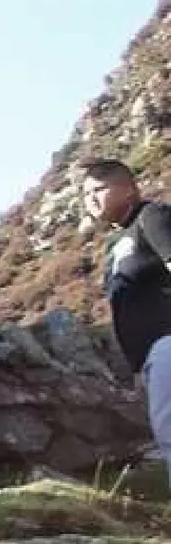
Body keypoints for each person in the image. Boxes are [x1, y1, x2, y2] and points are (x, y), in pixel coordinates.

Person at [83, 157, 171, 467]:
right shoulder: (114, 244)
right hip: (150, 357)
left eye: (99, 189)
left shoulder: (153, 216)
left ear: (129, 189)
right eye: (85, 194)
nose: (90, 199)